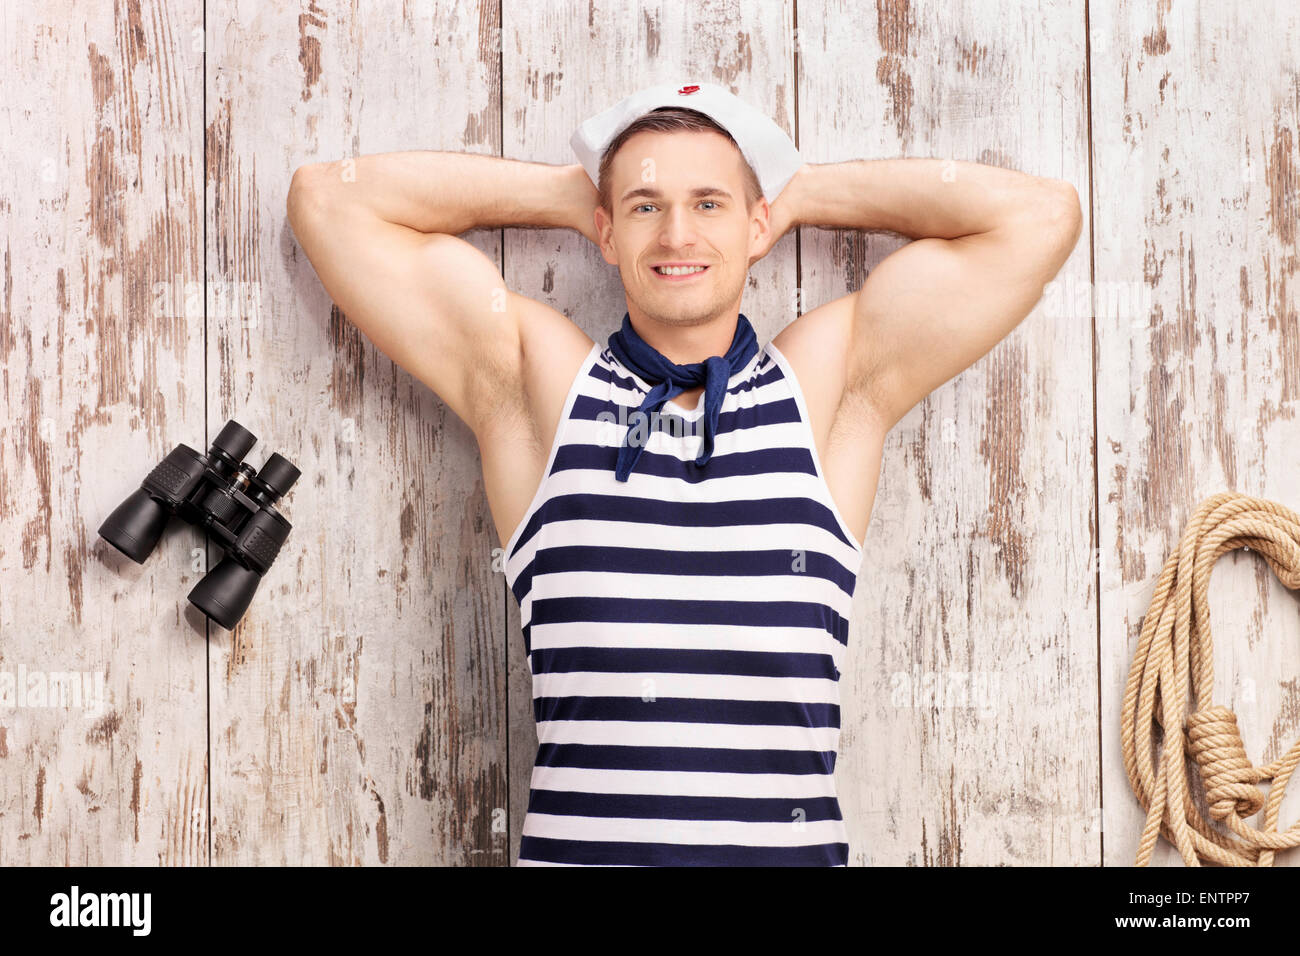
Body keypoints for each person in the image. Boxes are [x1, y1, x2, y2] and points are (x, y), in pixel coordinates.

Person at [286, 91, 1082, 866]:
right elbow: (329, 202)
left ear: (757, 223)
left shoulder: (822, 390)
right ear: (605, 230)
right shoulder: (547, 389)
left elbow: (1039, 220)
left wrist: (794, 193)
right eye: (644, 207)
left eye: (709, 204)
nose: (675, 233)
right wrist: (574, 195)